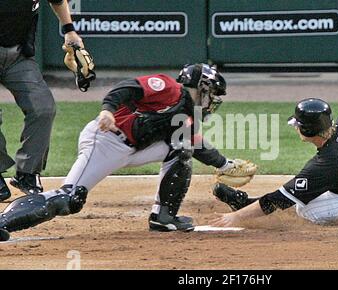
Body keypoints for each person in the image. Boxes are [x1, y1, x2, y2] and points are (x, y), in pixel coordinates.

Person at [0, 63, 244, 241]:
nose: (213, 100)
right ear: (201, 87)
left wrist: (224, 165)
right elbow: (126, 89)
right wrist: (107, 110)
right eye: (212, 93)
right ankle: (4, 222)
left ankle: (164, 217)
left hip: (136, 147)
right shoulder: (168, 88)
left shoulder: (191, 115)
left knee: (182, 148)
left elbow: (195, 143)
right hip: (107, 140)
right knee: (69, 199)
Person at [212, 98, 338, 227]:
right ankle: (249, 204)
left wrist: (236, 217)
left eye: (297, 125)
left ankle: (245, 206)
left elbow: (281, 198)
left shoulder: (327, 164)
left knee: (305, 210)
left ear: (307, 130)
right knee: (315, 189)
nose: (295, 127)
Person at [0, 0, 85, 200]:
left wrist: (70, 30)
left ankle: (27, 173)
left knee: (43, 108)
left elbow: (57, 1)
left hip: (18, 56)